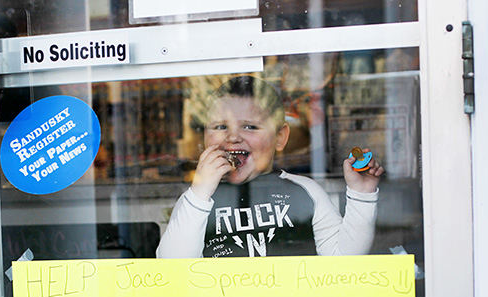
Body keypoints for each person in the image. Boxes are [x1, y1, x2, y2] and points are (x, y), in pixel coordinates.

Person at [156, 76, 384, 258]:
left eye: (250, 127)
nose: (233, 137)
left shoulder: (305, 191)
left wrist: (361, 195)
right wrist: (199, 193)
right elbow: (172, 269)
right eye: (220, 126)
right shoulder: (196, 200)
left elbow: (344, 261)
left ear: (280, 137)